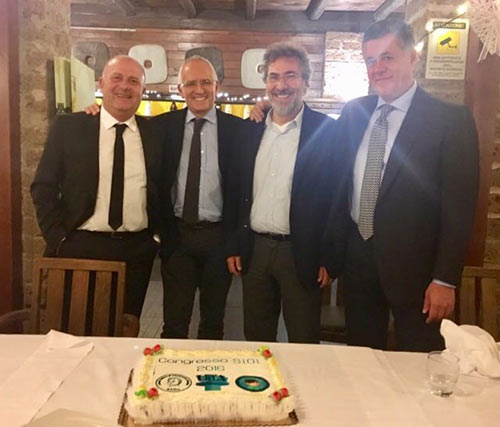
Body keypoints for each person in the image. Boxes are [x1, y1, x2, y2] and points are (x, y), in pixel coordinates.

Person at [322, 18, 479, 351]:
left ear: (412, 57)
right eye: (370, 60)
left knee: (419, 362)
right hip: (358, 259)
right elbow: (327, 167)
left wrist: (445, 279)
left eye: (387, 57)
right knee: (363, 357)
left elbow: (459, 209)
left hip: (418, 272)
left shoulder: (450, 120)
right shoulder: (354, 112)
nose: (377, 68)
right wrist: (266, 114)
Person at [31, 55, 164, 329]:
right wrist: (58, 239)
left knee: (125, 331)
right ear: (101, 83)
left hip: (136, 251)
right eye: (117, 78)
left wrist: (155, 238)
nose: (124, 86)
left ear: (142, 90)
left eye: (133, 81)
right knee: (73, 331)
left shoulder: (155, 133)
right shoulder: (70, 127)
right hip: (80, 245)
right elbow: (43, 186)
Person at [226, 43, 342, 343]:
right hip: (256, 251)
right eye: (274, 77)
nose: (281, 85)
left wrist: (329, 257)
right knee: (256, 338)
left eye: (290, 75)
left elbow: (336, 198)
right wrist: (235, 244)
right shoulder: (249, 130)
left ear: (305, 82)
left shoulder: (327, 132)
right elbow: (237, 191)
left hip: (302, 254)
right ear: (266, 83)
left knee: (303, 340)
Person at [158, 56, 244, 339]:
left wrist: (264, 108)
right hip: (177, 236)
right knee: (174, 322)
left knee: (213, 322)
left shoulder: (238, 129)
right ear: (180, 89)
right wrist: (94, 111)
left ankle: (209, 368)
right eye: (191, 83)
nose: (199, 89)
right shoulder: (162, 126)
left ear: (217, 86)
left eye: (206, 82)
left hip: (218, 238)